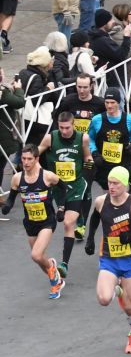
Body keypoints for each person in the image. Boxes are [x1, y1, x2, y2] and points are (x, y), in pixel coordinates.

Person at [84, 165, 131, 353]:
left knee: (129, 306)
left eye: (115, 183)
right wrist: (90, 238)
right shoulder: (101, 201)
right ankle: (115, 288)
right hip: (109, 258)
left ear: (125, 185)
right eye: (109, 183)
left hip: (130, 260)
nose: (111, 186)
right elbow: (95, 218)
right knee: (104, 299)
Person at [2, 145, 65, 299]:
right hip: (30, 223)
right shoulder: (17, 178)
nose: (26, 162)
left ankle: (55, 282)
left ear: (36, 159)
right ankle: (55, 274)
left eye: (29, 159)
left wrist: (61, 208)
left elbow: (62, 187)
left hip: (47, 222)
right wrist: (8, 206)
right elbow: (12, 197)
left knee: (36, 255)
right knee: (40, 260)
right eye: (23, 159)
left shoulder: (47, 176)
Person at [37, 111, 91, 278]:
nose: (65, 131)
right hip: (57, 187)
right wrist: (39, 172)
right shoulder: (50, 138)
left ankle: (64, 264)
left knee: (68, 223)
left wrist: (90, 162)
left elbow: (87, 156)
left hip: (75, 185)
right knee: (65, 217)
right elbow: (35, 154)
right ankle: (81, 216)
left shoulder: (82, 138)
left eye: (67, 128)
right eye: (61, 128)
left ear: (73, 125)